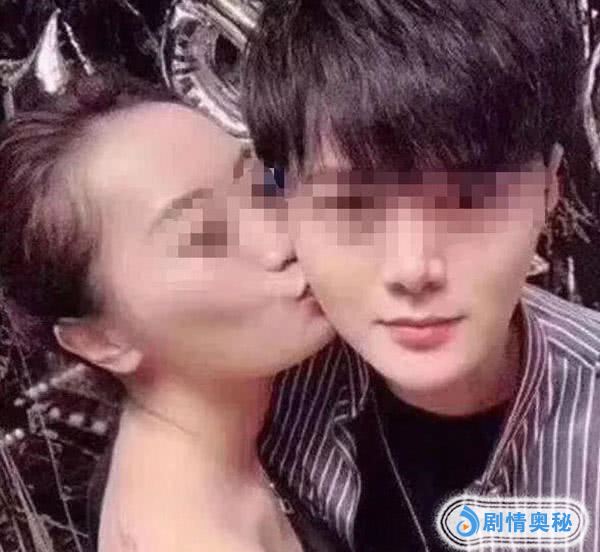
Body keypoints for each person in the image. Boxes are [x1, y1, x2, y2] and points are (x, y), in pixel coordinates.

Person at [243, 0, 600, 550]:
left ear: (549, 187)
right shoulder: (262, 396)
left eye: (471, 198)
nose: (413, 270)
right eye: (351, 205)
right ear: (282, 201)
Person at [0, 67, 346, 552]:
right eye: (203, 236)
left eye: (260, 184)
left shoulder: (232, 438)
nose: (280, 238)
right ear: (102, 341)